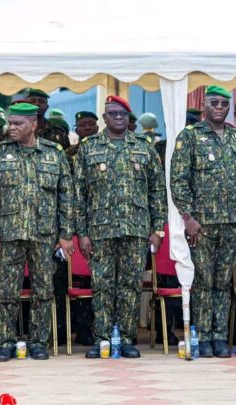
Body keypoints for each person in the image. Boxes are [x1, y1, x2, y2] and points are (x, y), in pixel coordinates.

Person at [0, 102, 74, 362]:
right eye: (10, 123)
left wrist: (66, 234)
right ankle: (6, 342)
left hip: (44, 233)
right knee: (7, 292)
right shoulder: (0, 153)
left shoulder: (54, 153)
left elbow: (67, 196)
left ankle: (38, 342)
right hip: (9, 233)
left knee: (43, 291)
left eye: (17, 123)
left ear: (33, 125)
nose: (11, 128)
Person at [74, 96, 165, 358]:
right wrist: (83, 232)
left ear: (129, 118)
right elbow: (78, 194)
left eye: (123, 114)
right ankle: (103, 338)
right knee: (102, 285)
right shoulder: (89, 148)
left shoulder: (144, 147)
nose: (118, 118)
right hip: (100, 229)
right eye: (112, 113)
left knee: (129, 285)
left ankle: (125, 337)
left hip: (136, 229)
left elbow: (157, 191)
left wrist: (157, 230)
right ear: (104, 118)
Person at [171, 85, 236, 358]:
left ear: (228, 108)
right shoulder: (189, 137)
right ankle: (200, 335)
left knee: (224, 283)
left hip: (231, 224)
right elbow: (178, 181)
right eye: (213, 102)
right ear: (204, 105)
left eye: (223, 104)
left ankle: (218, 336)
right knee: (202, 282)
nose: (218, 107)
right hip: (200, 225)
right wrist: (188, 218)